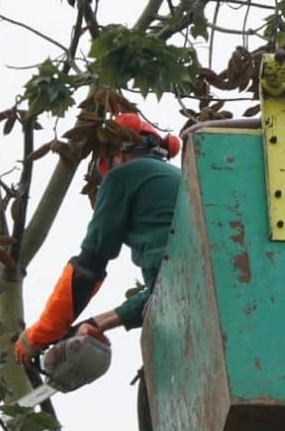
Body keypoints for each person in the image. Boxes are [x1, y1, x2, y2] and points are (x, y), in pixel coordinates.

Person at [14, 112, 182, 364]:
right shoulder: (178, 176)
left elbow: (88, 268)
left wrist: (39, 337)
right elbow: (165, 292)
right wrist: (97, 323)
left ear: (118, 152)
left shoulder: (123, 175)